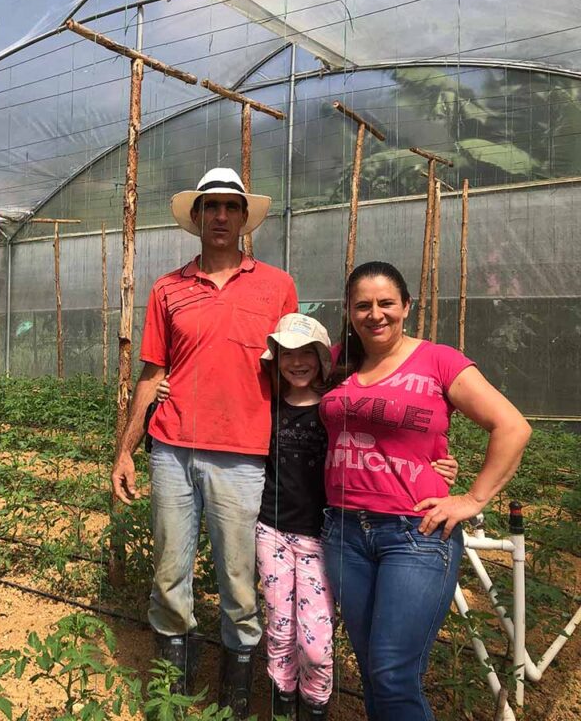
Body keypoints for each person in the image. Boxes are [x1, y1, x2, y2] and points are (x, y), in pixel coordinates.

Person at [155, 312, 460, 720]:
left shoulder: (335, 408)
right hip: (272, 534)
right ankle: (284, 704)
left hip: (324, 536)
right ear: (275, 359)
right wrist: (167, 389)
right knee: (280, 630)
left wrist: (436, 463)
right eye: (286, 354)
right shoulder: (265, 407)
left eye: (307, 354)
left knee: (316, 642)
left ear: (322, 358)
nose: (297, 362)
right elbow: (220, 399)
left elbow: (386, 435)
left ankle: (315, 704)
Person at [111, 167, 297, 716]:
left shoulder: (277, 286)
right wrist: (125, 448)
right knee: (169, 572)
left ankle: (237, 689)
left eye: (230, 207)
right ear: (195, 219)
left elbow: (297, 368)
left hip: (243, 455)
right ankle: (173, 687)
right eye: (209, 207)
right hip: (171, 449)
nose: (220, 216)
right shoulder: (168, 288)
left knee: (239, 579)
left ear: (244, 218)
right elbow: (151, 372)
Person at [320, 260, 531, 721]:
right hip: (342, 532)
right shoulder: (337, 361)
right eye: (362, 305)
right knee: (374, 669)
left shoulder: (439, 360)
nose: (375, 314)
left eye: (386, 303)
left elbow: (512, 426)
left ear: (406, 306)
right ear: (349, 311)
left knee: (394, 673)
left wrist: (473, 498)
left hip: (414, 534)